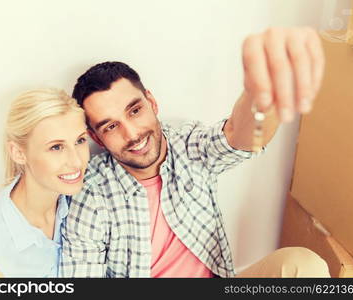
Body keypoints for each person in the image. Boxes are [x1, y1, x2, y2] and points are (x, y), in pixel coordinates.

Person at [60, 27, 329, 277]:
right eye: (111, 126)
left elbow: (238, 137)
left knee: (303, 266)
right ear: (95, 137)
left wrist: (261, 91)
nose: (132, 134)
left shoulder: (186, 145)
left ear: (151, 102)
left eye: (135, 111)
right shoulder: (92, 193)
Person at [0, 89, 90, 277]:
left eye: (80, 140)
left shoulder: (79, 199)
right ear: (18, 153)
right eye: (56, 147)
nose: (76, 161)